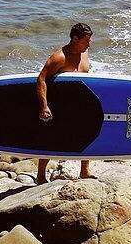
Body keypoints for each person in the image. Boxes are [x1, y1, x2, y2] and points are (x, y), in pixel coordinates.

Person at [36, 22, 93, 184]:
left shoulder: (85, 51)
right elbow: (41, 79)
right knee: (51, 138)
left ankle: (85, 171)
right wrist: (44, 106)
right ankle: (40, 176)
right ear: (75, 39)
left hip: (81, 100)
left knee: (87, 132)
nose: (88, 45)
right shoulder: (60, 57)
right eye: (86, 41)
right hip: (61, 102)